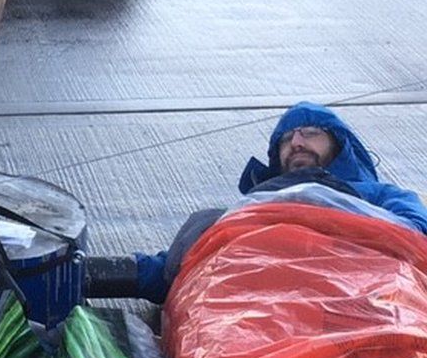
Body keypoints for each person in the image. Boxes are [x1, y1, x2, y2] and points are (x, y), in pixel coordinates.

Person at [130, 101, 427, 304]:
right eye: (286, 140)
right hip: (259, 313)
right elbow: (180, 269)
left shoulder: (383, 198)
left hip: (362, 302)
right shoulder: (252, 208)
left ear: (339, 145)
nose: (297, 141)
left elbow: (416, 238)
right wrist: (119, 271)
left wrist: (324, 208)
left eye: (311, 133)